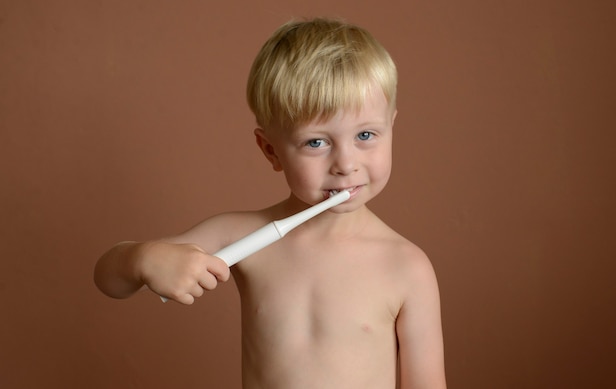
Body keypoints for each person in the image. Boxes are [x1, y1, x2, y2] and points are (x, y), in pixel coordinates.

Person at [94, 17, 446, 388]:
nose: (346, 164)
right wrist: (143, 259)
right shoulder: (242, 235)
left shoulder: (406, 267)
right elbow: (107, 279)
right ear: (270, 150)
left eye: (365, 135)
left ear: (391, 127)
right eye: (316, 142)